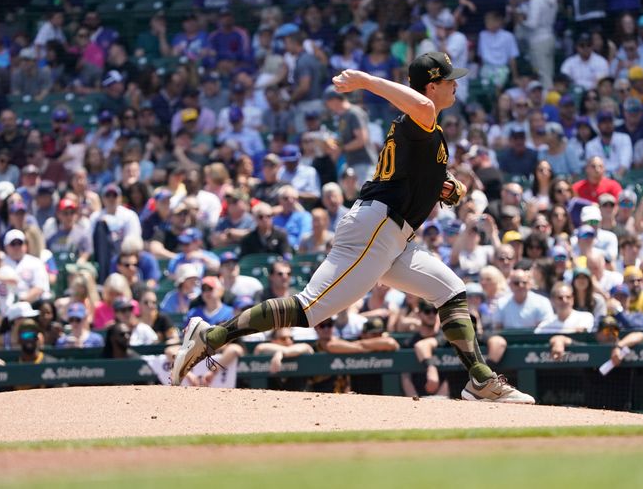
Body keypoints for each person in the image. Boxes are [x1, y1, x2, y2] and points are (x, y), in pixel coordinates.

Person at [172, 51, 535, 402]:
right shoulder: (418, 119)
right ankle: (211, 336)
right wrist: (364, 80)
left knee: (451, 291)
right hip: (377, 228)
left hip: (394, 236)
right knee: (307, 310)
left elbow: (429, 177)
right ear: (429, 86)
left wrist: (448, 185)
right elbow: (420, 110)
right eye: (448, 81)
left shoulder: (427, 130)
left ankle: (481, 380)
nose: (455, 86)